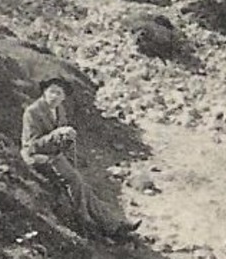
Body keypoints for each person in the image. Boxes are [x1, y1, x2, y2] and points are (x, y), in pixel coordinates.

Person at [21, 78, 140, 241]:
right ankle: (86, 223)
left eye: (59, 93)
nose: (54, 96)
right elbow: (32, 145)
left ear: (64, 97)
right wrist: (55, 135)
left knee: (83, 185)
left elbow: (63, 141)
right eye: (51, 91)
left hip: (53, 155)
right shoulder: (33, 112)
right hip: (36, 157)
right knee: (75, 180)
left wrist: (67, 141)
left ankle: (115, 226)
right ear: (44, 91)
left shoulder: (59, 110)